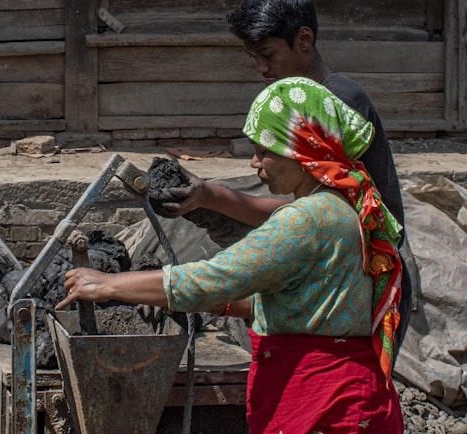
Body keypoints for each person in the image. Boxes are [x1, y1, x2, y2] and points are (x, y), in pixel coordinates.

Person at [59, 77, 405, 434]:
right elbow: (280, 302)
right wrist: (170, 296)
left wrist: (109, 284)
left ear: (302, 154)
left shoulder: (309, 221)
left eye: (265, 151)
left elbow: (215, 277)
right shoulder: (343, 206)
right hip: (344, 403)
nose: (256, 163)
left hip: (326, 413)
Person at [158, 0, 413, 348]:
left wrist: (212, 198)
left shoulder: (335, 105)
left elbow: (321, 218)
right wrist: (208, 196)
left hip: (358, 282)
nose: (261, 67)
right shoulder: (303, 107)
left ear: (304, 40)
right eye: (253, 57)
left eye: (268, 53)